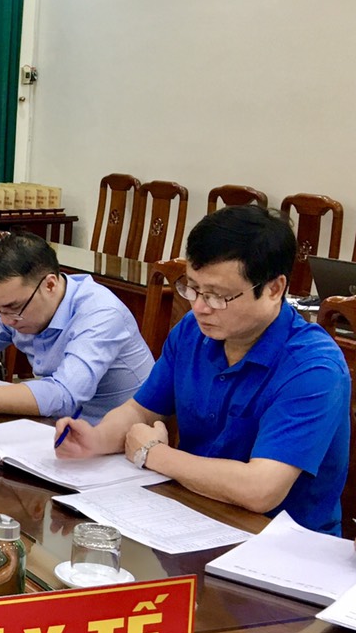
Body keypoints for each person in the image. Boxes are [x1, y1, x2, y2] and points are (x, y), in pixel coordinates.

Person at [55, 206, 350, 535]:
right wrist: (95, 439)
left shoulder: (313, 368)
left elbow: (261, 490)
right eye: (193, 288)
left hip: (281, 544)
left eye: (218, 296)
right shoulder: (192, 332)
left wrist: (153, 454)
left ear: (274, 289)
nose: (199, 307)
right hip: (191, 514)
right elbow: (141, 410)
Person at [0, 230, 154, 421]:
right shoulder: (13, 304)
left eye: (13, 308)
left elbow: (63, 395)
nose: (5, 319)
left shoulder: (100, 313)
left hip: (118, 441)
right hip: (55, 429)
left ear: (50, 285)